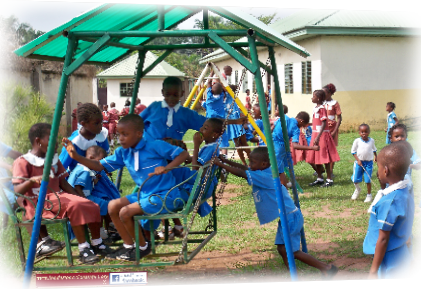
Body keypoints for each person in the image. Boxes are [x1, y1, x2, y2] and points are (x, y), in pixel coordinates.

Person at [62, 114, 190, 262]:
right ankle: (129, 246)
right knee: (113, 206)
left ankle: (142, 247)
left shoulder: (155, 146)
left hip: (165, 195)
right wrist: (76, 156)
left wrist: (166, 168)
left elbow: (183, 154)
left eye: (125, 134)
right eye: (118, 134)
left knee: (125, 212)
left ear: (139, 134)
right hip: (145, 195)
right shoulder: (123, 153)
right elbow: (98, 165)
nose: (120, 138)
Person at [213, 147, 338, 281]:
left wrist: (220, 164)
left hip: (290, 217)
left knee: (292, 251)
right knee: (282, 249)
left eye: (252, 162)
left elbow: (242, 173)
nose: (250, 165)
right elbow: (244, 168)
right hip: (286, 216)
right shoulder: (262, 170)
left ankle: (326, 268)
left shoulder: (264, 176)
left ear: (263, 164)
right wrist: (225, 161)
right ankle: (296, 277)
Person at [13, 123, 114, 264]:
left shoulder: (53, 160)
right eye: (51, 139)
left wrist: (80, 198)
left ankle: (97, 243)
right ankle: (84, 249)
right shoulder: (22, 162)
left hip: (58, 197)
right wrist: (31, 181)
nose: (55, 143)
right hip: (40, 202)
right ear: (37, 141)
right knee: (75, 205)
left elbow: (63, 183)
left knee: (91, 205)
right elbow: (17, 191)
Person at [363, 142, 414, 279]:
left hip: (389, 256)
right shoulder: (405, 192)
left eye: (378, 167)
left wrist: (373, 271)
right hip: (401, 251)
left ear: (385, 170)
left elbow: (384, 239)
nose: (377, 171)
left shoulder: (389, 202)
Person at [67, 145, 119, 243]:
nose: (101, 165)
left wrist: (94, 180)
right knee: (107, 205)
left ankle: (105, 230)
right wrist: (84, 202)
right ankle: (107, 230)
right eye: (99, 161)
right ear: (91, 159)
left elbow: (86, 184)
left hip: (80, 197)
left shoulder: (81, 168)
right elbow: (78, 187)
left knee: (103, 204)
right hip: (82, 198)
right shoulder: (85, 171)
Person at [388, 124, 421, 278]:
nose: (400, 138)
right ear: (390, 138)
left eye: (402, 135)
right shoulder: (388, 153)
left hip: (403, 215)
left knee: (408, 255)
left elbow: (419, 164)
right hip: (392, 212)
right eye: (397, 136)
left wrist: (409, 164)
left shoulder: (406, 183)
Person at [140, 76, 207, 142]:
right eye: (168, 94)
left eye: (175, 95)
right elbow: (136, 122)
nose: (171, 98)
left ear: (181, 94)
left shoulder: (186, 114)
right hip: (150, 150)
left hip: (172, 151)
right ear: (163, 92)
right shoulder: (154, 107)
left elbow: (208, 125)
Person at [306, 90, 340, 188]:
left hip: (322, 135)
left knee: (325, 157)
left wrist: (318, 136)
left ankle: (329, 179)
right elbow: (317, 122)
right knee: (316, 156)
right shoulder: (315, 108)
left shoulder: (322, 108)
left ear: (318, 98)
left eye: (313, 96)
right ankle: (320, 178)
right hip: (315, 134)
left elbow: (324, 122)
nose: (312, 98)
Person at [350, 124, 377, 203]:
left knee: (368, 180)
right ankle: (358, 189)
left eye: (366, 131)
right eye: (362, 132)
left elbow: (374, 149)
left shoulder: (371, 141)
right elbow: (353, 152)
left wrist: (376, 156)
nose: (364, 133)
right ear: (359, 133)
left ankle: (369, 195)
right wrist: (358, 160)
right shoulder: (357, 141)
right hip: (359, 162)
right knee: (355, 179)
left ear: (369, 132)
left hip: (369, 163)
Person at [323, 83, 341, 178]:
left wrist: (334, 131)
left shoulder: (335, 103)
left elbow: (339, 118)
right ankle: (322, 168)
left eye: (324, 93)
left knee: (331, 150)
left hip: (331, 129)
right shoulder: (321, 103)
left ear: (329, 93)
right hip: (322, 129)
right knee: (323, 148)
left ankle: (330, 170)